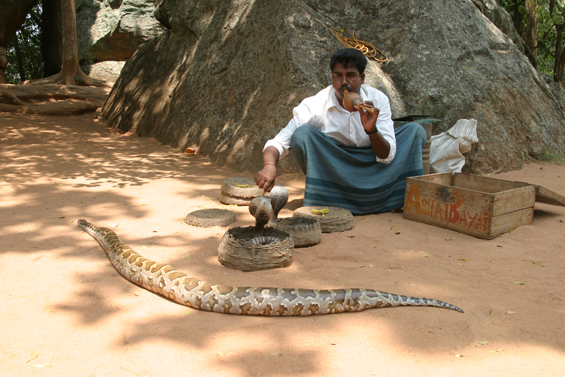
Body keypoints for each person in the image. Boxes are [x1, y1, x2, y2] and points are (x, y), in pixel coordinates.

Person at [254, 48, 426, 215]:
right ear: (332, 77)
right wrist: (269, 166)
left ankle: (393, 198)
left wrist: (372, 130)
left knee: (415, 131)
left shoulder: (378, 99)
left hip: (373, 165)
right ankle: (330, 196)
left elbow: (386, 155)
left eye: (350, 75)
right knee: (302, 134)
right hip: (336, 168)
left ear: (362, 78)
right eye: (338, 75)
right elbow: (279, 141)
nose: (344, 82)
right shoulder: (316, 103)